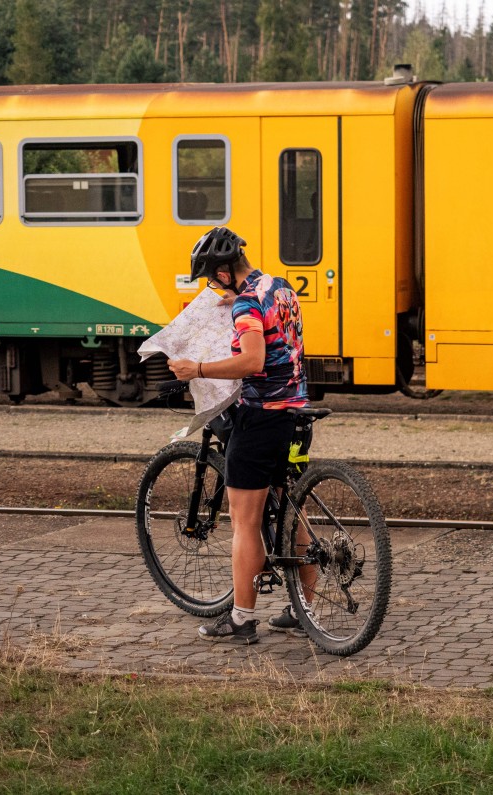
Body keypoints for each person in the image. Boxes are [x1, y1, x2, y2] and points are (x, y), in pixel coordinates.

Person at [168, 227, 311, 644]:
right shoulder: (278, 287)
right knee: (291, 513)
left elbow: (252, 359)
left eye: (213, 279)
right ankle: (305, 611)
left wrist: (197, 369)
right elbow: (269, 327)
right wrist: (237, 303)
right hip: (295, 413)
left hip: (260, 418)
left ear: (225, 272)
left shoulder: (247, 302)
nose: (213, 287)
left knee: (245, 524)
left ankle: (243, 619)